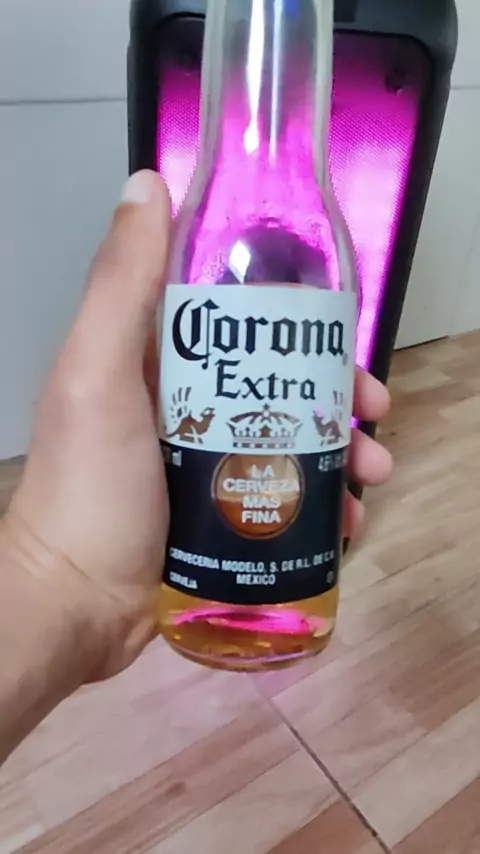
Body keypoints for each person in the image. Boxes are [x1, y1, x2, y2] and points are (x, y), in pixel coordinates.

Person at [0, 170, 393, 766]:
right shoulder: (208, 216)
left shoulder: (319, 216)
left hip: (297, 583)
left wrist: (63, 582)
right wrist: (61, 577)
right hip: (190, 581)